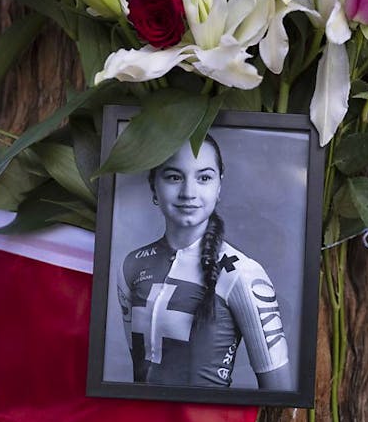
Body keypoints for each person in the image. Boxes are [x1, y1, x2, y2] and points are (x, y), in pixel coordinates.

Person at [116, 135, 292, 389]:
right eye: (174, 177)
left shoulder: (243, 273)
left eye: (204, 178)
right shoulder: (131, 264)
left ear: (219, 186)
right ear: (153, 185)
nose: (189, 193)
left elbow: (281, 396)